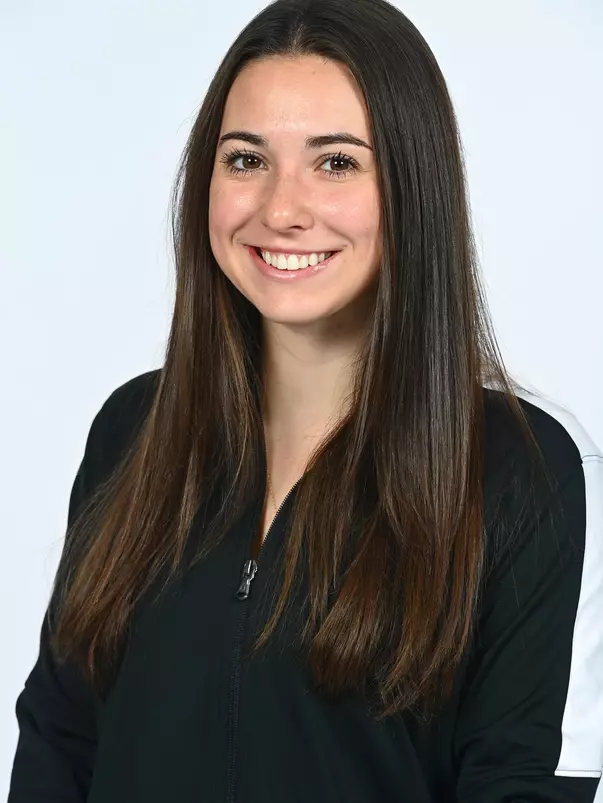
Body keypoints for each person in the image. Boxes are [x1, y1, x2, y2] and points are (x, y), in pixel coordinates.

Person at [8, 0, 603, 800]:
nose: (281, 210)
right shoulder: (131, 433)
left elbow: (519, 781)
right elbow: (59, 740)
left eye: (335, 163)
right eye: (246, 159)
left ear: (410, 186)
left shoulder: (522, 472)